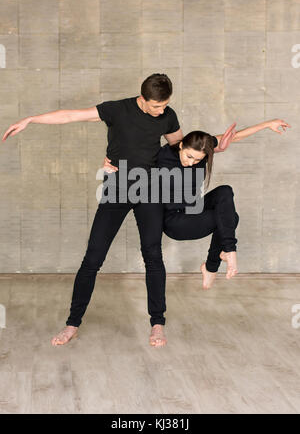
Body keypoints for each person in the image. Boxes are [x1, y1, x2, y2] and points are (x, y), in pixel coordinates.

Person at [1, 73, 235, 348]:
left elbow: (185, 147)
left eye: (165, 105)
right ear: (144, 99)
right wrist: (31, 119)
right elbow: (70, 116)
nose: (163, 111)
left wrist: (217, 147)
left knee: (152, 255)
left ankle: (157, 323)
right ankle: (72, 323)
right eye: (157, 106)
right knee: (93, 258)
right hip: (118, 187)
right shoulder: (117, 110)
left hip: (150, 192)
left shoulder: (168, 116)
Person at [102, 117, 291, 337]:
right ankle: (223, 256)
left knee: (225, 194)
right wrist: (108, 164)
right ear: (181, 145)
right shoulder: (162, 156)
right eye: (188, 156)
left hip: (195, 210)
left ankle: (213, 264)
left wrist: (267, 124)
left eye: (197, 160)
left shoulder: (202, 147)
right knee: (229, 218)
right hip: (175, 222)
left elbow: (234, 137)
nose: (191, 162)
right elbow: (132, 158)